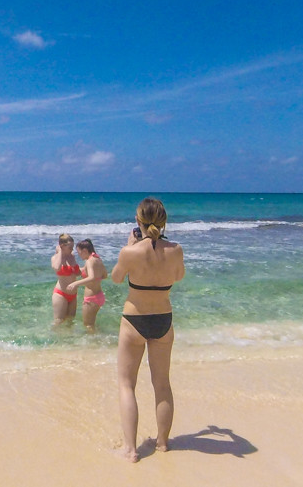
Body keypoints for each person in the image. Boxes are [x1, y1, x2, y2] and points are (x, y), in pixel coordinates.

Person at [111, 198, 185, 462]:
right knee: (162, 384)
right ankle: (163, 443)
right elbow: (178, 276)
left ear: (138, 221)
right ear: (163, 221)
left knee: (126, 385)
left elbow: (116, 278)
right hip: (163, 318)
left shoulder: (130, 252)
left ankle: (131, 450)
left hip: (135, 320)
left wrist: (129, 247)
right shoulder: (176, 249)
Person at [66, 239, 108, 332]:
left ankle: (94, 345)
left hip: (91, 298)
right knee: (92, 324)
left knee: (88, 325)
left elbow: (92, 277)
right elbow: (104, 275)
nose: (79, 255)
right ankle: (98, 341)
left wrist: (75, 283)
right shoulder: (97, 259)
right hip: (99, 296)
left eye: (79, 252)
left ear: (85, 250)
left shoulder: (89, 261)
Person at [51, 233, 81, 326]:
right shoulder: (55, 258)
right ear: (62, 246)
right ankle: (55, 340)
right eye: (70, 247)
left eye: (73, 247)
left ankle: (68, 340)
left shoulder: (71, 256)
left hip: (73, 295)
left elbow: (78, 273)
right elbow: (56, 267)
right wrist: (60, 252)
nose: (72, 249)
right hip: (61, 294)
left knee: (70, 321)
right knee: (59, 321)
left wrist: (74, 263)